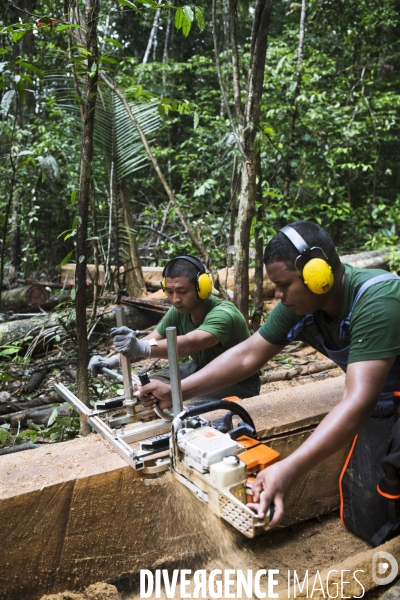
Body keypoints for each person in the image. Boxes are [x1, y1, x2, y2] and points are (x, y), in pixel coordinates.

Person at [136, 222, 400, 545]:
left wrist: (287, 470)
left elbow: (357, 402)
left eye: (283, 285)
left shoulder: (377, 301)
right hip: (384, 400)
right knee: (369, 520)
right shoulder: (302, 306)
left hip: (376, 400)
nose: (277, 294)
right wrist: (177, 390)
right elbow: (248, 355)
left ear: (319, 276)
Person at [88, 255, 260, 403]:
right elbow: (151, 340)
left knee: (183, 404)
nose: (175, 299)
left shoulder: (223, 314)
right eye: (169, 292)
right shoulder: (178, 312)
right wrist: (113, 361)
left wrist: (140, 348)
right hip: (200, 368)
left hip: (237, 382)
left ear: (202, 287)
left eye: (182, 291)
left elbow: (191, 344)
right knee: (147, 388)